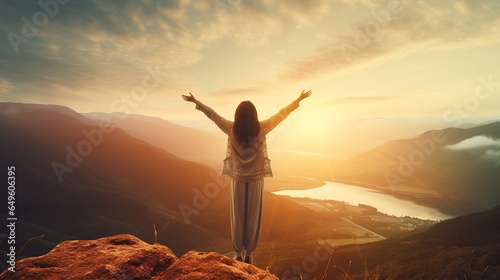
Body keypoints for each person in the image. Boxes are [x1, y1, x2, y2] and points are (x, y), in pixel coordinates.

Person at [181, 90, 312, 264]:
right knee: (253, 216)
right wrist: (298, 100)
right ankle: (249, 253)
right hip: (256, 178)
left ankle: (238, 253)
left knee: (238, 215)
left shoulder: (230, 128)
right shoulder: (262, 128)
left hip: (238, 178)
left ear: (237, 115)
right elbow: (281, 115)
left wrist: (196, 101)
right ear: (254, 115)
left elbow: (212, 115)